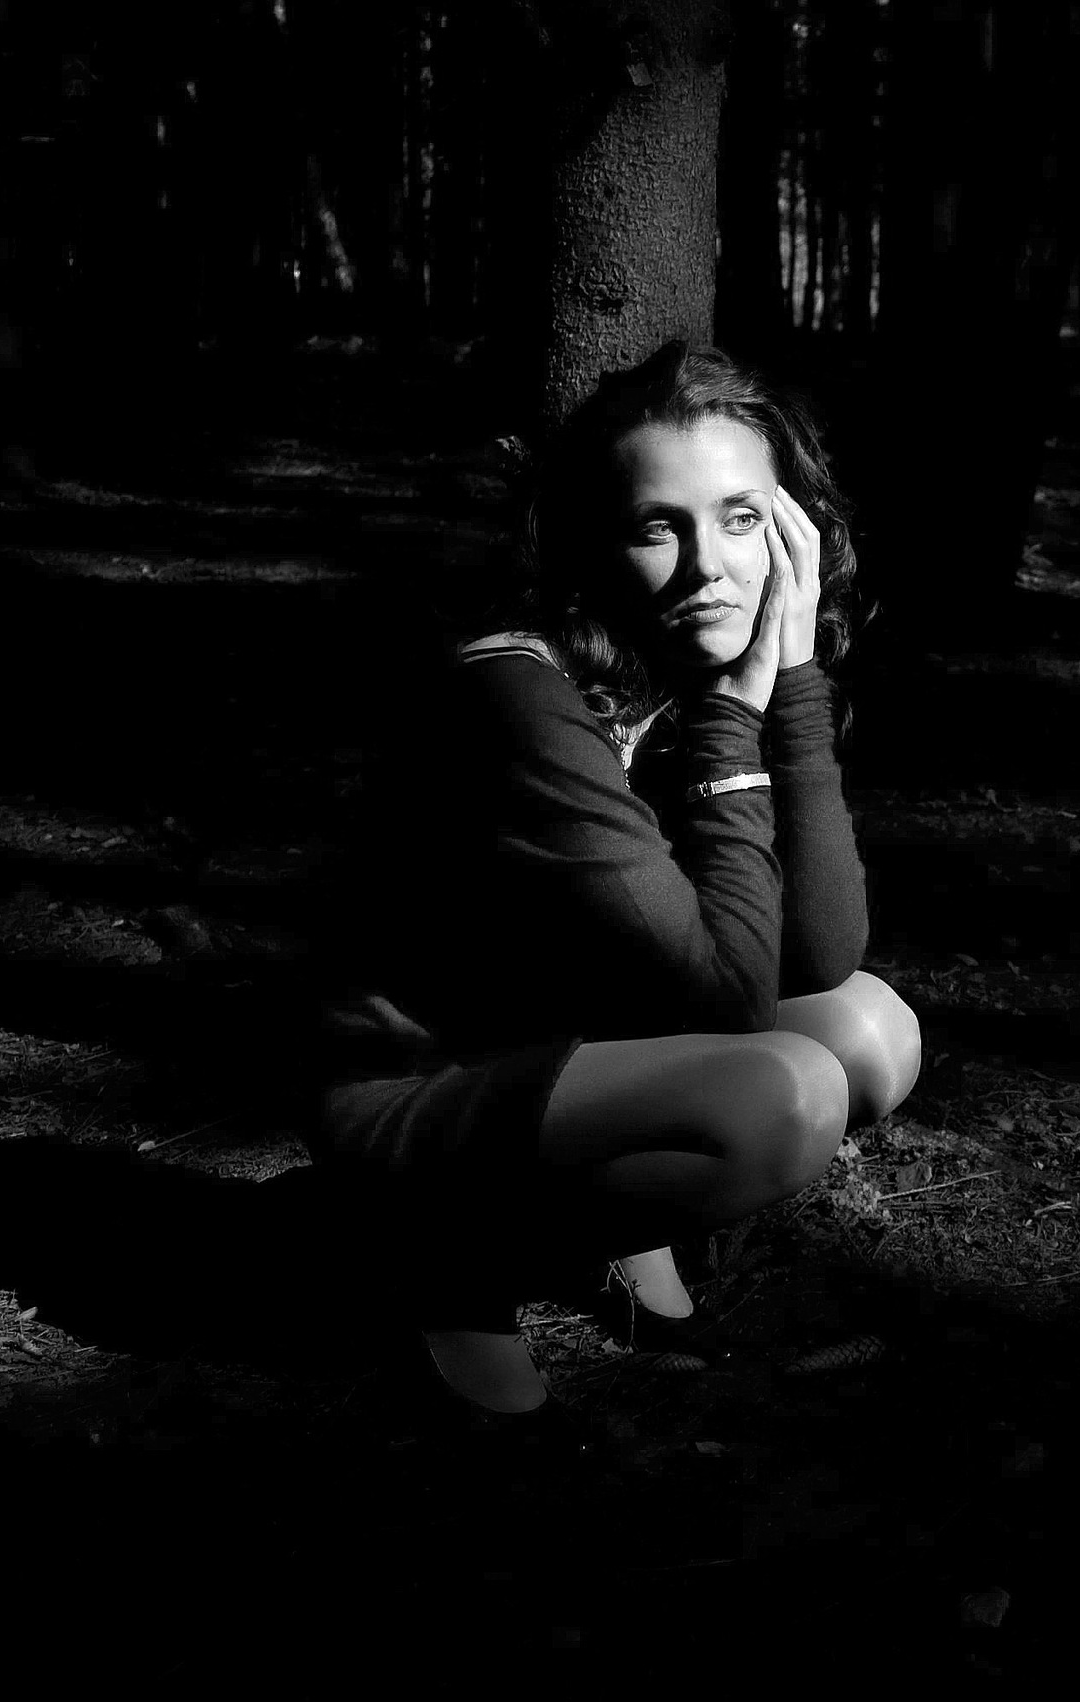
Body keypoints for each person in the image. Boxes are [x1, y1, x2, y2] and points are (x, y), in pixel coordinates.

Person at [307, 339, 919, 1435]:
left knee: (870, 1030)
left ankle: (602, 1231)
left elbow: (822, 952)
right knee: (784, 1096)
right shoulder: (519, 693)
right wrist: (734, 723)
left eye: (741, 519)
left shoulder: (691, 672)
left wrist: (793, 685)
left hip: (587, 1035)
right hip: (424, 1092)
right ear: (600, 543)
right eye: (657, 527)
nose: (707, 567)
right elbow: (728, 1003)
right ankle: (445, 1257)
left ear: (793, 533)